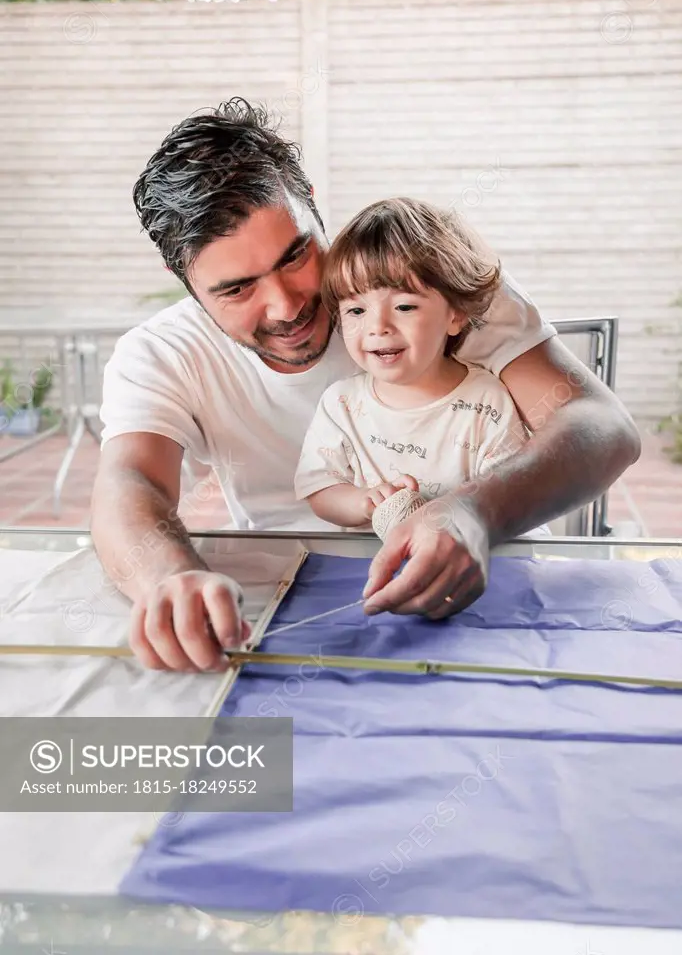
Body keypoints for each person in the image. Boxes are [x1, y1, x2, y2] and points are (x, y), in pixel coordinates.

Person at [91, 98, 640, 672]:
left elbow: (601, 427)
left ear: (312, 206)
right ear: (183, 280)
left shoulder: (429, 285)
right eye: (236, 290)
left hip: (494, 580)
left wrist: (474, 513)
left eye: (296, 254)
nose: (285, 305)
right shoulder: (161, 353)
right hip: (291, 611)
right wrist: (168, 579)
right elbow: (129, 483)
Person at [295, 198, 541, 560]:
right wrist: (363, 501)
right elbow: (320, 489)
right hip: (379, 568)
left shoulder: (487, 401)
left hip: (472, 565)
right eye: (356, 310)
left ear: (455, 315)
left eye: (405, 306)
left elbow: (509, 495)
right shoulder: (341, 403)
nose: (378, 327)